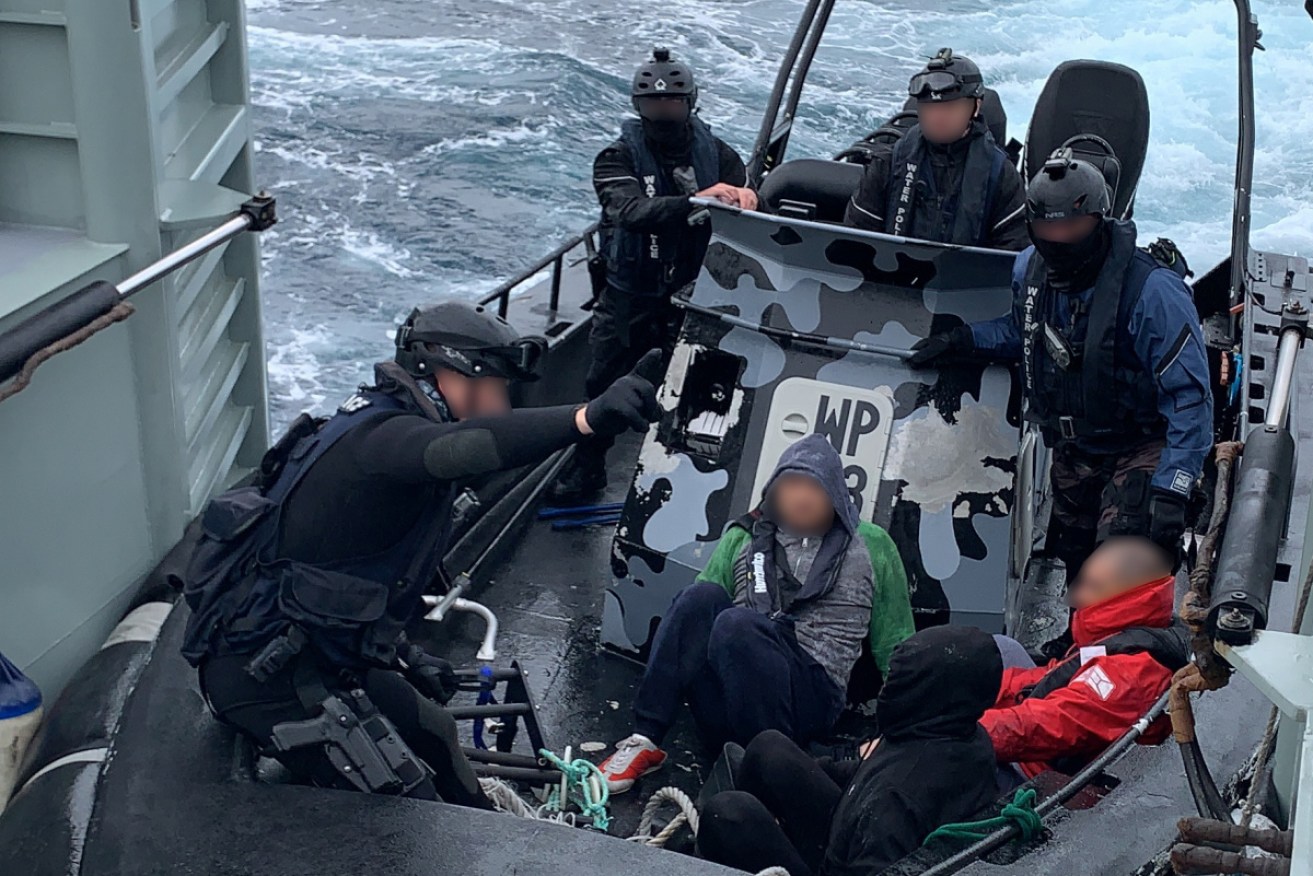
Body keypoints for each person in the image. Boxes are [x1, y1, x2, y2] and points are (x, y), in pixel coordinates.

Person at [180, 300, 662, 807]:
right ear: (449, 377)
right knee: (408, 811)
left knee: (433, 728)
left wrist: (407, 658)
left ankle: (488, 820)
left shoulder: (387, 425)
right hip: (269, 678)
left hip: (315, 652)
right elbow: (465, 447)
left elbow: (348, 578)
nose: (502, 405)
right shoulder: (382, 438)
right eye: (496, 388)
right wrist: (585, 418)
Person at [910, 149, 1213, 579]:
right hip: (1074, 448)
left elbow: (1189, 398)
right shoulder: (1027, 272)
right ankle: (1077, 642)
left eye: (1072, 226)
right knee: (1072, 564)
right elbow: (1024, 331)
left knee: (1122, 566)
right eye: (1048, 228)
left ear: (1098, 219)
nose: (1060, 239)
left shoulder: (1154, 293)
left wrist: (1173, 487)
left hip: (1140, 446)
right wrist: (964, 339)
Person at [597, 433, 914, 793]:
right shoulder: (744, 535)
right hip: (734, 696)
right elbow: (693, 620)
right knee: (699, 598)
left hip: (808, 700)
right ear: (774, 490)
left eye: (815, 487)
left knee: (737, 623)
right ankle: (644, 740)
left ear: (837, 494)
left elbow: (899, 647)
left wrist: (894, 735)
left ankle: (775, 769)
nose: (803, 497)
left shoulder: (872, 545)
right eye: (792, 485)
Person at [549, 47, 757, 502]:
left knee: (703, 387)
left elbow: (745, 204)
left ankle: (690, 475)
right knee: (602, 383)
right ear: (637, 108)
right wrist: (696, 201)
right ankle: (588, 470)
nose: (664, 113)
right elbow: (628, 209)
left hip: (696, 292)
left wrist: (746, 201)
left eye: (673, 104)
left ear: (690, 104)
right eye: (653, 106)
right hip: (631, 296)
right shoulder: (615, 158)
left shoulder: (720, 156)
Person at [697, 626, 1004, 876]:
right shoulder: (959, 733)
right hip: (854, 827)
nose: (885, 691)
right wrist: (816, 771)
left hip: (849, 862)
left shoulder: (896, 799)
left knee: (727, 814)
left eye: (896, 685)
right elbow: (869, 771)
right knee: (769, 749)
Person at [985, 536, 1188, 783]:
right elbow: (1056, 675)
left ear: (1125, 595)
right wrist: (980, 693)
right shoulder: (1123, 633)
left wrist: (958, 728)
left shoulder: (1126, 674)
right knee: (1001, 647)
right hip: (1042, 726)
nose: (1078, 594)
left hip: (1041, 775)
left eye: (1093, 586)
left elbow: (1049, 725)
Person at [844, 48, 1027, 251]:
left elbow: (1012, 255)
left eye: (950, 108)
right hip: (890, 276)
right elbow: (856, 241)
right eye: (929, 108)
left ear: (975, 107)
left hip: (965, 279)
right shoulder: (888, 164)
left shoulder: (1000, 175)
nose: (937, 118)